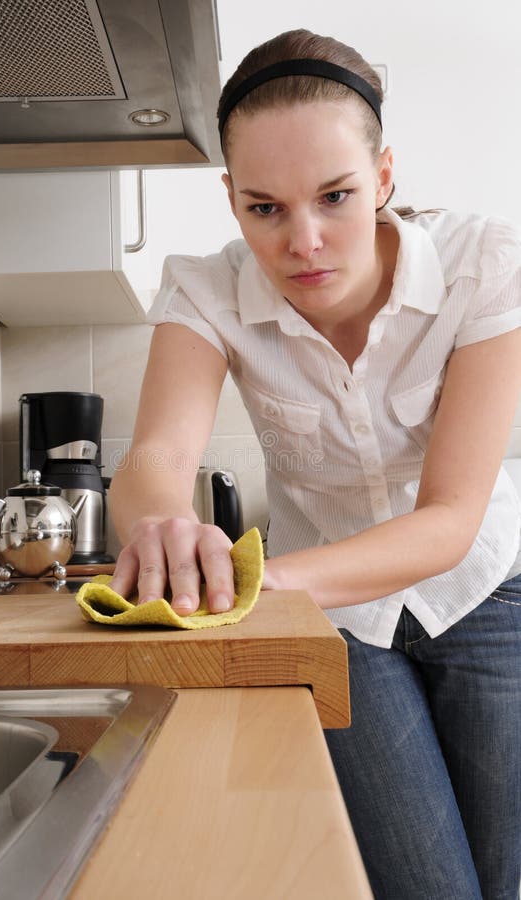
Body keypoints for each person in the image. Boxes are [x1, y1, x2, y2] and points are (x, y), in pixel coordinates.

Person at [109, 27, 521, 900]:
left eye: (335, 196)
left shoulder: (488, 265)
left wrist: (252, 586)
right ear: (231, 201)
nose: (305, 242)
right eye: (266, 208)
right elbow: (155, 454)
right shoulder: (204, 290)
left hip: (490, 594)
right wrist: (159, 522)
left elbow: (448, 520)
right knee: (427, 888)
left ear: (383, 178)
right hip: (338, 627)